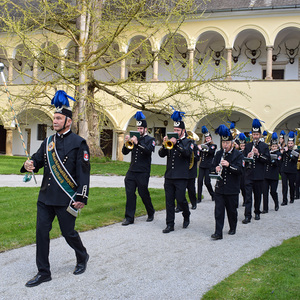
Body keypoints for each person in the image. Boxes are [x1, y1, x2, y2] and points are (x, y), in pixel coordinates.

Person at [21, 90, 90, 287]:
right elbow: (37, 159)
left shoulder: (79, 143)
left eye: (59, 118)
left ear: (68, 121)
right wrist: (30, 164)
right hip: (45, 198)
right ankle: (44, 272)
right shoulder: (48, 142)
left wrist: (81, 197)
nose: (55, 121)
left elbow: (84, 173)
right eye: (54, 118)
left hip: (65, 198)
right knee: (41, 233)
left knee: (68, 234)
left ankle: (82, 255)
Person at [158, 108, 192, 233]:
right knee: (169, 201)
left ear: (183, 131)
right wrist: (164, 144)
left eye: (178, 130)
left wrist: (176, 144)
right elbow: (161, 154)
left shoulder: (188, 142)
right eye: (174, 130)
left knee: (181, 199)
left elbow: (187, 154)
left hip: (181, 176)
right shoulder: (170, 141)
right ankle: (170, 224)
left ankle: (186, 214)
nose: (176, 132)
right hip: (169, 175)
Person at [121, 111, 155, 225]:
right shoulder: (133, 138)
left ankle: (150, 211)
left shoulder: (150, 140)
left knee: (143, 193)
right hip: (132, 170)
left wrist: (137, 143)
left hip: (143, 171)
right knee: (130, 193)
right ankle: (129, 218)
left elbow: (148, 151)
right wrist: (126, 142)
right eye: (138, 128)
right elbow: (124, 152)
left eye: (141, 128)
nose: (139, 130)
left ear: (146, 129)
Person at [211, 124, 243, 240]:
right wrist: (216, 169)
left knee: (231, 211)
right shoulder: (219, 154)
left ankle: (233, 227)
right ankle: (218, 232)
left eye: (227, 143)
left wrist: (229, 166)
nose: (225, 145)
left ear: (232, 143)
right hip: (220, 188)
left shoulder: (238, 155)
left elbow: (240, 170)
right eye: (223, 143)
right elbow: (212, 167)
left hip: (232, 188)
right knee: (218, 211)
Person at [242, 119, 270, 224]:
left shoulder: (264, 146)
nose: (255, 136)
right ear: (251, 135)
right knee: (248, 196)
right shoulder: (248, 146)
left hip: (259, 175)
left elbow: (267, 160)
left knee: (258, 196)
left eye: (257, 134)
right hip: (249, 175)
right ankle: (247, 216)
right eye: (254, 134)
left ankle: (257, 211)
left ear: (260, 135)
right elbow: (242, 159)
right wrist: (247, 156)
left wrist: (258, 155)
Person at [262, 133, 281, 213]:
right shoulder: (268, 153)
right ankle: (265, 208)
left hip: (273, 175)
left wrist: (273, 161)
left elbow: (278, 164)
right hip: (266, 175)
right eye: (272, 146)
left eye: (275, 146)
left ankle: (276, 203)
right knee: (265, 192)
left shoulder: (279, 154)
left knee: (273, 191)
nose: (274, 148)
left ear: (277, 147)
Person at [197, 125, 216, 202]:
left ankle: (213, 194)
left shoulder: (213, 146)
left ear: (211, 138)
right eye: (206, 138)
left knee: (207, 182)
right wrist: (198, 149)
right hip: (202, 165)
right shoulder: (203, 146)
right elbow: (200, 155)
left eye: (209, 138)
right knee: (199, 181)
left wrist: (202, 148)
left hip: (208, 166)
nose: (208, 139)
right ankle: (198, 198)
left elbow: (211, 151)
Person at [280, 131, 299, 205]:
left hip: (292, 170)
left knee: (291, 185)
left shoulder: (296, 151)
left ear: (293, 144)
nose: (290, 145)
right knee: (284, 185)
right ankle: (284, 200)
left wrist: (288, 152)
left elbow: (295, 159)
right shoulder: (285, 150)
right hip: (284, 170)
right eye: (289, 143)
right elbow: (281, 158)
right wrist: (282, 152)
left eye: (291, 143)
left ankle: (292, 197)